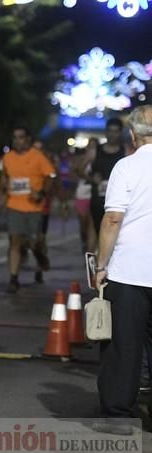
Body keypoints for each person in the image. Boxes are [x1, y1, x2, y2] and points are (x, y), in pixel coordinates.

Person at [93, 105, 152, 435]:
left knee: (123, 345)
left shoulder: (126, 167)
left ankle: (118, 414)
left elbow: (112, 219)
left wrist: (101, 265)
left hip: (129, 271)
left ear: (132, 135)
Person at [1, 125, 56, 292]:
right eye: (15, 137)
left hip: (34, 208)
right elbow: (3, 176)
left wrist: (41, 192)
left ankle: (40, 259)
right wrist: (2, 190)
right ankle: (13, 278)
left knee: (34, 243)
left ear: (28, 139)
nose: (18, 141)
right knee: (15, 241)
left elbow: (51, 176)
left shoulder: (38, 156)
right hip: (14, 205)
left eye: (21, 137)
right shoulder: (7, 158)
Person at [87, 118, 131, 237]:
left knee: (116, 236)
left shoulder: (126, 151)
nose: (112, 135)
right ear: (106, 132)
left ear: (120, 133)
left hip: (118, 201)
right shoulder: (95, 150)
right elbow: (78, 169)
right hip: (98, 200)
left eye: (116, 131)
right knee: (98, 234)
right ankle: (94, 253)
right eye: (110, 131)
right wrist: (92, 178)